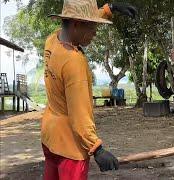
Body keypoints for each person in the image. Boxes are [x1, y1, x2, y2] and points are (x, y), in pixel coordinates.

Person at [41, 0, 136, 179]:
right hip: (70, 146)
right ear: (76, 24)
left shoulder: (53, 40)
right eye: (93, 27)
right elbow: (79, 114)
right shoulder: (74, 62)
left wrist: (109, 9)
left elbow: (78, 22)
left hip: (50, 135)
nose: (95, 33)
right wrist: (97, 148)